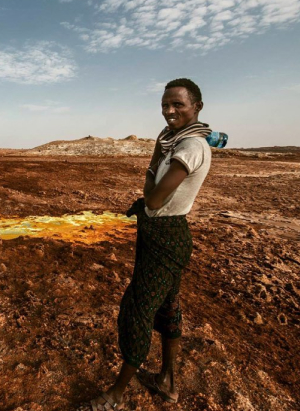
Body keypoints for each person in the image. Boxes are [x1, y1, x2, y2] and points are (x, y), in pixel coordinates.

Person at [83, 78, 213, 410]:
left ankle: (115, 395)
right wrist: (161, 144)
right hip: (161, 233)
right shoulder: (177, 141)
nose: (169, 111)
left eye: (178, 105)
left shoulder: (191, 148)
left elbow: (154, 200)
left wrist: (155, 155)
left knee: (137, 310)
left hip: (166, 237)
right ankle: (168, 382)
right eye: (164, 106)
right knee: (168, 305)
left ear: (197, 107)